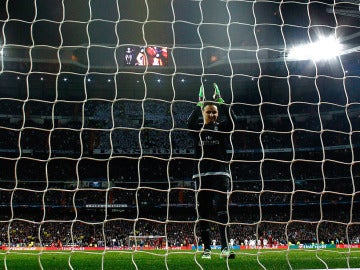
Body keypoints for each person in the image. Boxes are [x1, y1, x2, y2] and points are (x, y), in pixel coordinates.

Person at [187, 82, 237, 260]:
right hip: (201, 176)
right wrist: (198, 103)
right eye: (208, 111)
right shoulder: (197, 130)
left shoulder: (222, 128)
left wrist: (222, 103)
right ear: (203, 113)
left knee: (222, 210)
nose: (212, 114)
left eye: (214, 112)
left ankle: (225, 248)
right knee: (203, 212)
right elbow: (189, 122)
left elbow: (233, 121)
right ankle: (207, 249)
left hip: (221, 174)